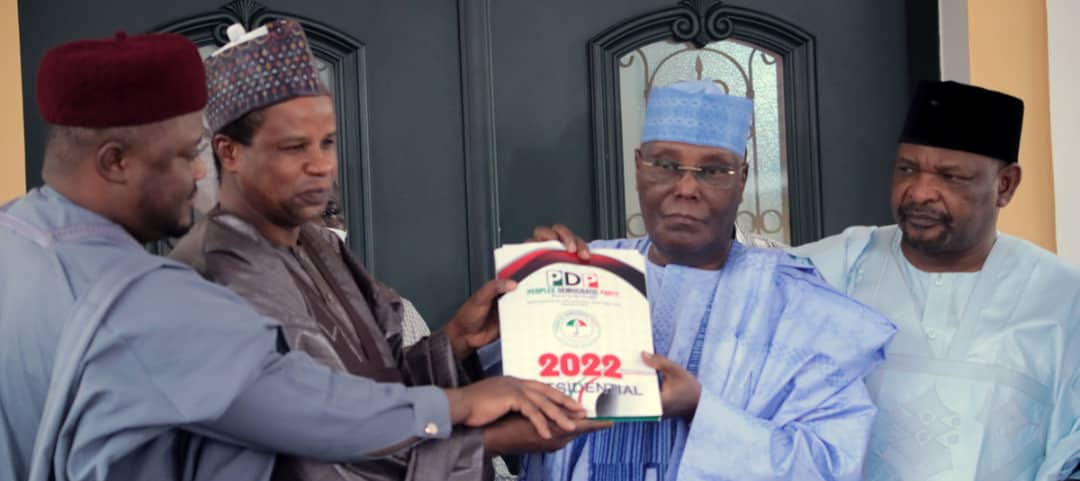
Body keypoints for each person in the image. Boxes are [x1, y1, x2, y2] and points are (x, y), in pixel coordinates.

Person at [0, 29, 581, 481]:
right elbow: (313, 420)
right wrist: (473, 421)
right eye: (184, 155)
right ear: (114, 162)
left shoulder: (16, 239)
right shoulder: (166, 292)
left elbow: (364, 380)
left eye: (327, 143)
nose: (198, 171)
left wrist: (452, 344)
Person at [168, 20, 606, 481]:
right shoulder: (220, 266)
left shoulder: (316, 241)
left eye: (328, 142)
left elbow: (381, 383)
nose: (321, 166)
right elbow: (320, 436)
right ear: (229, 152)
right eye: (295, 147)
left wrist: (456, 340)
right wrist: (486, 438)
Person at [518, 80, 897, 481]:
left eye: (713, 170)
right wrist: (527, 298)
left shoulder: (798, 305)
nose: (686, 189)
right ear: (637, 168)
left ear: (743, 178)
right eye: (665, 165)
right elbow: (487, 417)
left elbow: (831, 465)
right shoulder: (582, 276)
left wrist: (701, 408)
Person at [791, 80, 1080, 481]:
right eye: (907, 169)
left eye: (950, 177)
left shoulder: (1063, 299)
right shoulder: (837, 268)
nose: (920, 192)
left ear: (1005, 185)